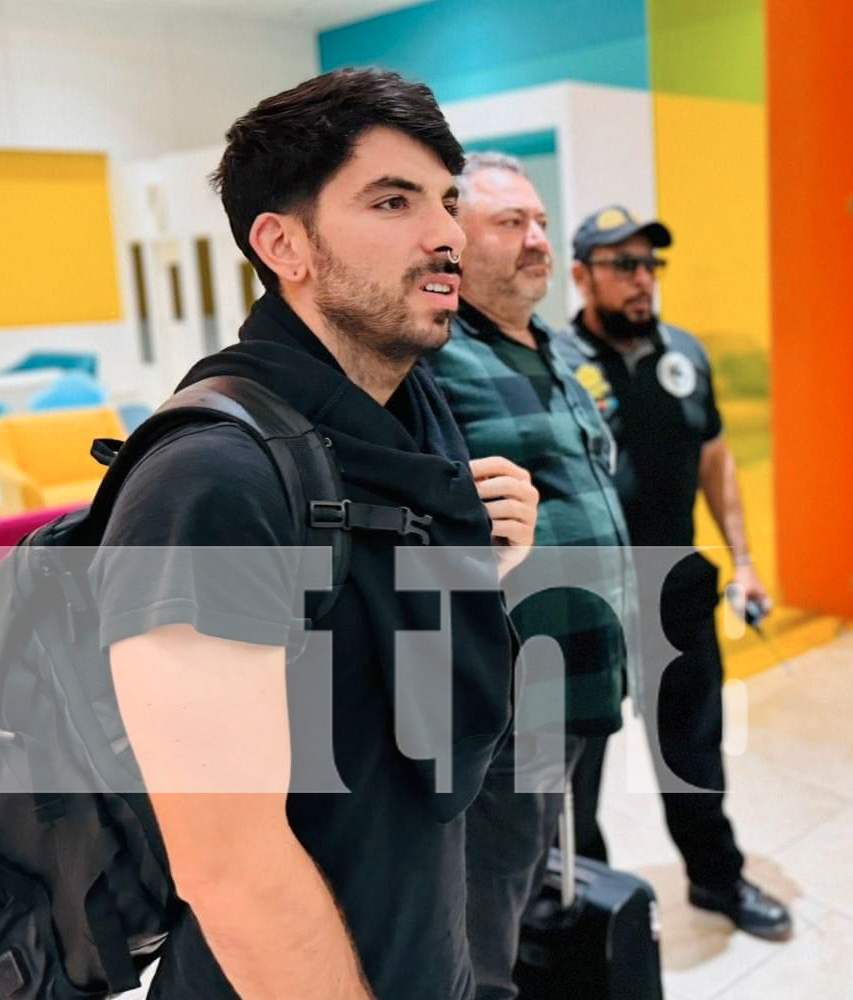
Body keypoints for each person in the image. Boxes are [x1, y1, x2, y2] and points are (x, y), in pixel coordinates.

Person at [98, 69, 538, 1000]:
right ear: (283, 244)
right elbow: (231, 871)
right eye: (393, 200)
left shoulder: (412, 417)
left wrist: (478, 548)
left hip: (427, 941)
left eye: (449, 202)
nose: (447, 236)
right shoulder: (209, 482)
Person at [552, 206, 793, 942]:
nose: (641, 280)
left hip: (677, 587)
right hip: (586, 596)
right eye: (622, 265)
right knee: (576, 765)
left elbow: (715, 460)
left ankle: (717, 878)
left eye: (648, 265)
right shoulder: (554, 361)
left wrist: (744, 561)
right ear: (582, 275)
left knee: (692, 745)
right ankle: (585, 905)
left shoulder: (685, 355)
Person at [428, 154, 633, 1000]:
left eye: (541, 222)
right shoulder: (436, 359)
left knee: (545, 863)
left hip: (580, 675)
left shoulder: (557, 346)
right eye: (509, 224)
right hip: (505, 696)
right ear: (456, 242)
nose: (536, 241)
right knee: (487, 908)